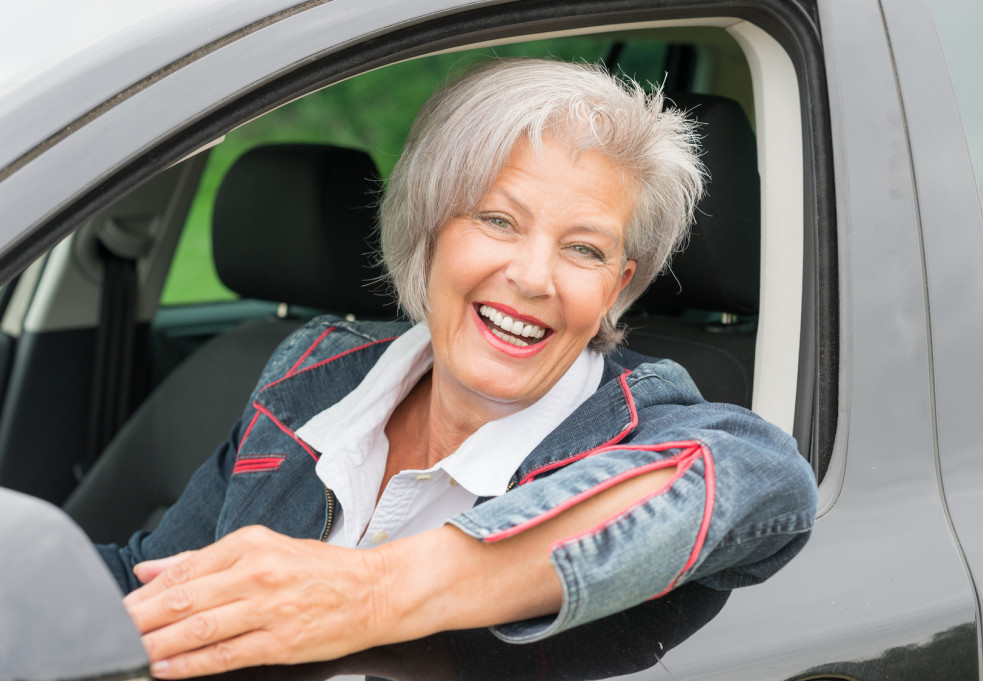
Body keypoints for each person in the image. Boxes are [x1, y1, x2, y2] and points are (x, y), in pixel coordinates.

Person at [99, 58, 818, 679]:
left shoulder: (631, 426)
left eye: (585, 250)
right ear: (429, 227)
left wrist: (370, 593)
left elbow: (765, 478)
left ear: (617, 287)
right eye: (499, 221)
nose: (534, 276)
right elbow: (155, 585)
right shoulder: (314, 375)